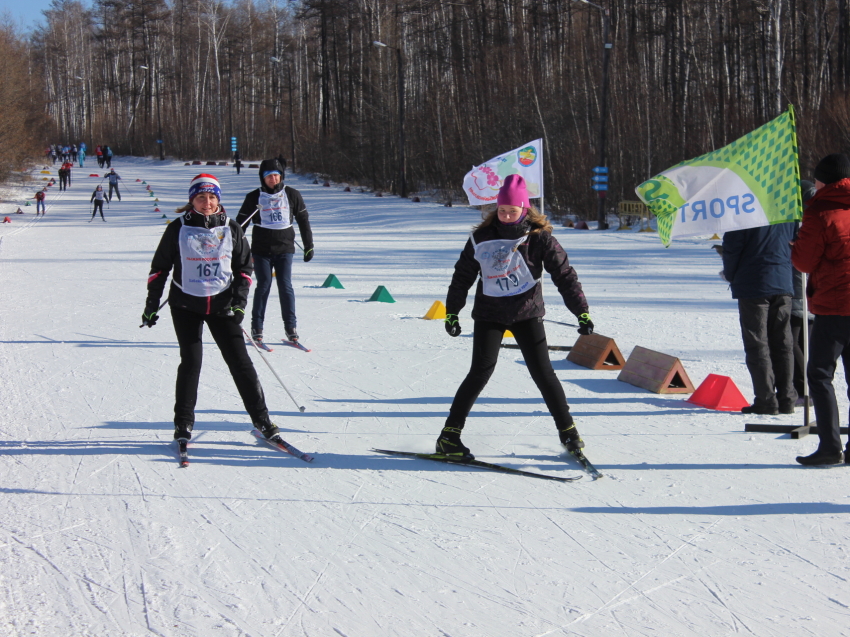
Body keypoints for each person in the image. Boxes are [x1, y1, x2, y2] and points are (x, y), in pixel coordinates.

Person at [436, 174, 593, 459]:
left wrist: (581, 312)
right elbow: (462, 277)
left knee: (544, 374)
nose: (507, 215)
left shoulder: (540, 238)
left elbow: (565, 276)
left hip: (526, 313)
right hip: (489, 314)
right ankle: (449, 436)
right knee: (480, 372)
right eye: (502, 210)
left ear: (525, 208)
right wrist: (452, 313)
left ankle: (568, 432)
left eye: (513, 210)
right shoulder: (481, 238)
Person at [141, 174, 282, 443]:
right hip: (185, 305)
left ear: (218, 199)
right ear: (192, 199)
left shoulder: (231, 227)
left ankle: (262, 421)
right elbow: (159, 270)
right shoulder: (178, 228)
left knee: (241, 364)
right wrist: (151, 306)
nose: (207, 203)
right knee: (191, 363)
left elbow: (244, 269)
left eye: (212, 197)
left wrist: (240, 304)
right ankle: (183, 424)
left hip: (223, 305)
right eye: (201, 197)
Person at [791, 153, 850, 466]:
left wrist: (797, 247)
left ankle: (829, 446)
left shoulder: (820, 211)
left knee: (819, 374)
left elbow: (803, 262)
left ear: (824, 180)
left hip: (835, 304)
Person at [721, 212, 797, 415]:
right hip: (783, 281)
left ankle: (766, 400)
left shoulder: (742, 210)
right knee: (783, 342)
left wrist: (730, 275)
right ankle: (787, 398)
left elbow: (732, 248)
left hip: (753, 284)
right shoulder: (787, 211)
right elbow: (797, 242)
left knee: (757, 343)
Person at [235, 158, 313, 345]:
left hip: (285, 248)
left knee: (285, 286)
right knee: (264, 285)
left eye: (277, 175)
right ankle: (257, 327)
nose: (273, 179)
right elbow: (240, 225)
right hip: (261, 249)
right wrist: (235, 249)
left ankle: (291, 327)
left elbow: (303, 221)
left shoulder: (292, 195)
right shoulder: (254, 197)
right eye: (269, 176)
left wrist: (308, 245)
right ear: (263, 178)